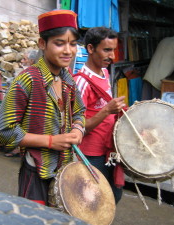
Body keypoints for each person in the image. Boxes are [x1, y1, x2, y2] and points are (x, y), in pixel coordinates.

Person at [0, 9, 86, 205]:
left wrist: (78, 129)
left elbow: (79, 111)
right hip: (36, 171)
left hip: (64, 170)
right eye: (59, 43)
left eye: (73, 44)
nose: (68, 50)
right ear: (42, 44)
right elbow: (2, 131)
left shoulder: (68, 79)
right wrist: (50, 141)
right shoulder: (28, 80)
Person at [73, 27, 126, 204]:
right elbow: (76, 129)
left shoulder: (104, 72)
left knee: (113, 196)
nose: (112, 56)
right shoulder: (81, 81)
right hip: (90, 154)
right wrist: (107, 110)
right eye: (107, 50)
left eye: (114, 50)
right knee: (91, 203)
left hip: (108, 150)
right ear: (90, 48)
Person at [142, 27, 174, 100]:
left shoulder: (164, 40)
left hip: (148, 77)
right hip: (159, 82)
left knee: (145, 106)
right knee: (155, 107)